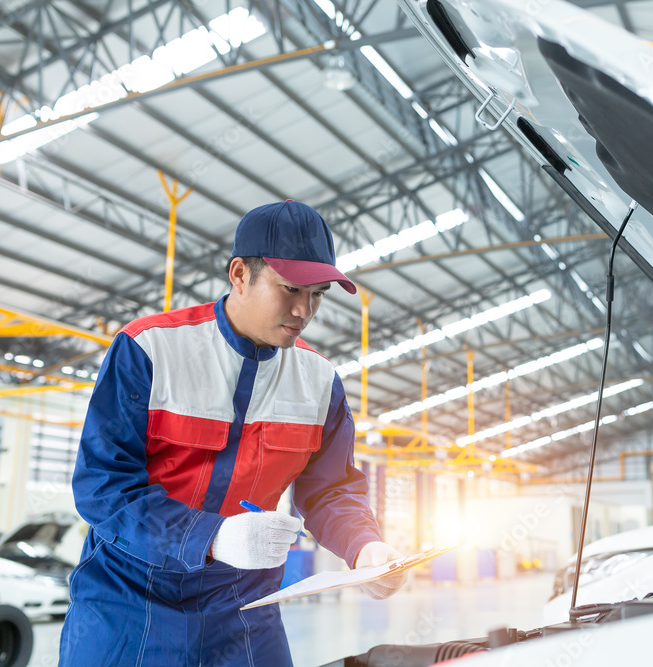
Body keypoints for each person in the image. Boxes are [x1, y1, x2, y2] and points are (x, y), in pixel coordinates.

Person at [59, 201, 407, 665]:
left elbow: (332, 491)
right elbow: (104, 488)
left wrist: (365, 545)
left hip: (245, 608)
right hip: (128, 599)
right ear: (240, 274)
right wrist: (211, 537)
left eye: (318, 293)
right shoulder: (150, 349)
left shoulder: (321, 383)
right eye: (290, 289)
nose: (305, 309)